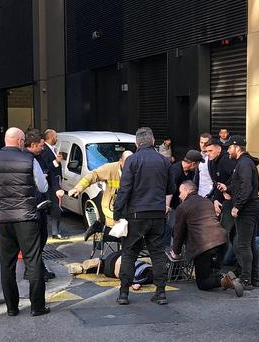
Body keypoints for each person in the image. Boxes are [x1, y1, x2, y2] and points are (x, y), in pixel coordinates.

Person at [0, 127, 50, 317]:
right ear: (21, 141)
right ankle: (37, 306)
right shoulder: (30, 159)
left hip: (3, 219)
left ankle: (12, 308)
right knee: (33, 262)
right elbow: (42, 186)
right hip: (27, 218)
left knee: (7, 264)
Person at [112, 127, 174, 306]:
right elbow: (170, 188)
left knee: (130, 253)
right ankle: (160, 292)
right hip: (157, 213)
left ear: (136, 143)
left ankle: (124, 293)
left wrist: (117, 212)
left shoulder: (132, 161)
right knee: (157, 254)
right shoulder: (164, 161)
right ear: (154, 142)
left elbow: (125, 190)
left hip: (136, 214)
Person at [169, 181, 243, 297]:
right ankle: (221, 276)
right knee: (211, 268)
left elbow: (178, 233)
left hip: (204, 245)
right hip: (222, 240)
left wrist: (176, 252)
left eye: (180, 192)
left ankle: (225, 281)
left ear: (187, 191)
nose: (179, 195)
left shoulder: (183, 207)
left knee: (202, 283)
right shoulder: (207, 202)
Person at [220, 135, 259, 290]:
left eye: (230, 147)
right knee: (250, 244)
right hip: (250, 207)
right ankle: (254, 279)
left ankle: (246, 280)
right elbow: (241, 185)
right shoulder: (245, 162)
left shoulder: (244, 163)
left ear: (237, 148)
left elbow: (246, 186)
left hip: (246, 209)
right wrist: (228, 188)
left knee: (244, 245)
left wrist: (237, 206)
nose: (228, 150)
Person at [24, 130, 63, 282]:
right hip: (30, 203)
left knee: (42, 236)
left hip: (42, 200)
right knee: (33, 239)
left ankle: (37, 267)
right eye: (40, 145)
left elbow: (51, 172)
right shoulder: (25, 158)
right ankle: (32, 270)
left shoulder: (40, 156)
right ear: (32, 145)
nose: (42, 148)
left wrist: (57, 188)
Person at [68, 150, 134, 241]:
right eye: (126, 164)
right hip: (112, 206)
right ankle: (100, 230)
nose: (129, 167)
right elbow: (93, 175)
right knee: (121, 234)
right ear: (120, 162)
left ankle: (101, 231)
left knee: (129, 235)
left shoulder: (137, 169)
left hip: (129, 207)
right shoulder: (110, 168)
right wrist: (78, 188)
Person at [165, 150, 202, 246]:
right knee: (171, 228)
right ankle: (169, 251)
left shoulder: (190, 171)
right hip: (173, 206)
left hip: (182, 206)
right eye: (197, 164)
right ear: (193, 163)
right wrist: (167, 206)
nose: (197, 166)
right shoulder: (176, 170)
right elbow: (169, 191)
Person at [42, 129, 67, 239]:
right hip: (51, 184)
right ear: (51, 137)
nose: (57, 139)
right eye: (56, 137)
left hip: (56, 181)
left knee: (56, 206)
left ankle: (56, 230)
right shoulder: (45, 150)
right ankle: (55, 232)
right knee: (55, 207)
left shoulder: (52, 149)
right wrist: (55, 162)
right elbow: (46, 167)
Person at [194, 133, 214, 198]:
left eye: (205, 143)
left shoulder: (214, 158)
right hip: (199, 194)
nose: (203, 145)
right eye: (201, 142)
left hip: (211, 194)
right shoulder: (196, 156)